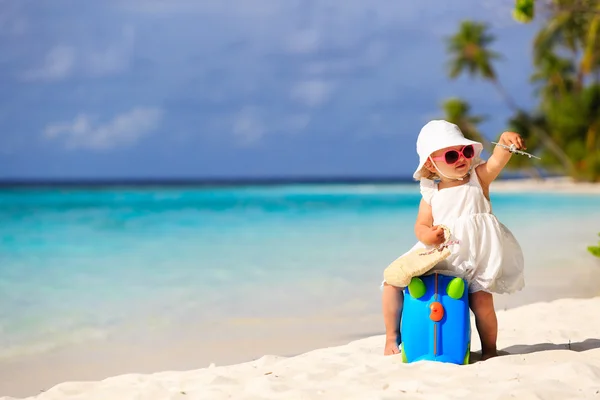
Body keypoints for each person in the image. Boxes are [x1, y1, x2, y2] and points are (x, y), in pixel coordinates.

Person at [382, 120, 525, 361]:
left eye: (466, 151)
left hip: (476, 259)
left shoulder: (478, 179)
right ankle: (390, 337)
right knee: (391, 282)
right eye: (450, 155)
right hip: (442, 257)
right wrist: (428, 235)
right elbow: (421, 225)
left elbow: (497, 161)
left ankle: (490, 348)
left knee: (482, 303)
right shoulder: (431, 194)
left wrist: (504, 141)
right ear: (431, 164)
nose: (461, 158)